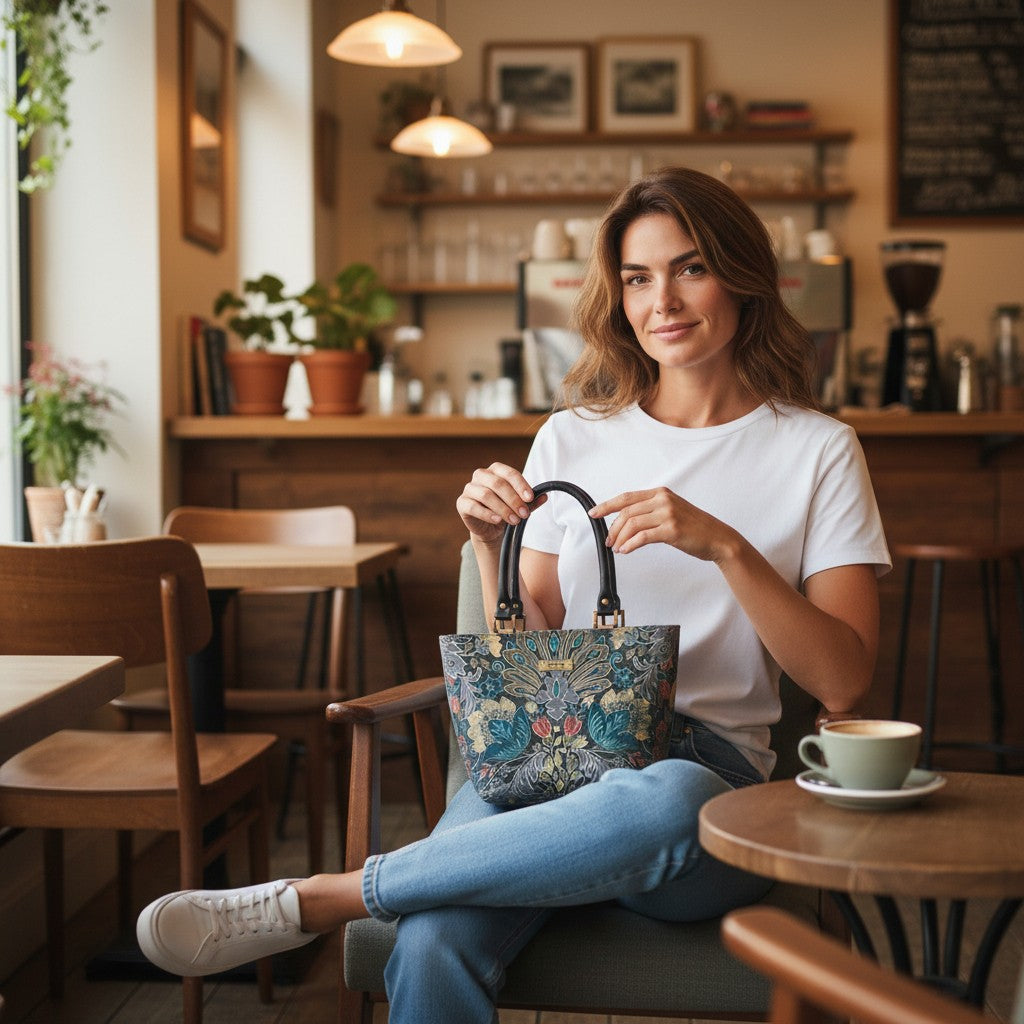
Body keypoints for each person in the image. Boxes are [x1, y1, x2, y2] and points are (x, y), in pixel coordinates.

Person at [136, 167, 891, 1022]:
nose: (663, 301)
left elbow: (843, 682)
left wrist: (724, 546)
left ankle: (322, 899)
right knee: (431, 941)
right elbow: (530, 646)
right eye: (638, 278)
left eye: (690, 268)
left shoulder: (819, 450)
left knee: (668, 796)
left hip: (705, 786)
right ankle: (371, 896)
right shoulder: (573, 436)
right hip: (548, 761)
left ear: (743, 277)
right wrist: (490, 543)